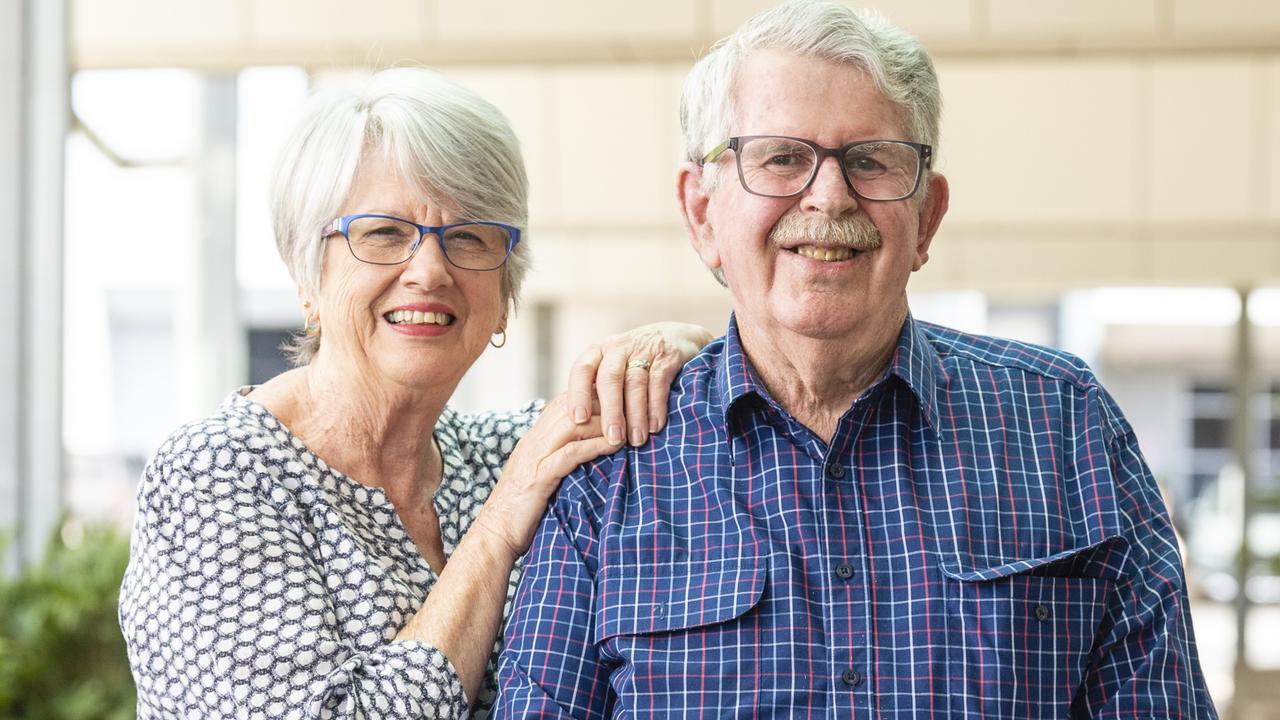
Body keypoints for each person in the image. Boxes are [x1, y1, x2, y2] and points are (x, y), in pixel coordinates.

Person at [495, 2, 1218, 717]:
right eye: (781, 157)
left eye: (870, 160)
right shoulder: (610, 468)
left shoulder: (1066, 429)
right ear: (702, 214)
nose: (828, 194)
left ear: (927, 217)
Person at [118, 67, 712, 719]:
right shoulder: (217, 477)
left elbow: (688, 396)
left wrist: (674, 342)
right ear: (307, 274)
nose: (430, 269)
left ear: (506, 292)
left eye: (468, 238)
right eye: (382, 234)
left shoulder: (505, 449)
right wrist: (497, 526)